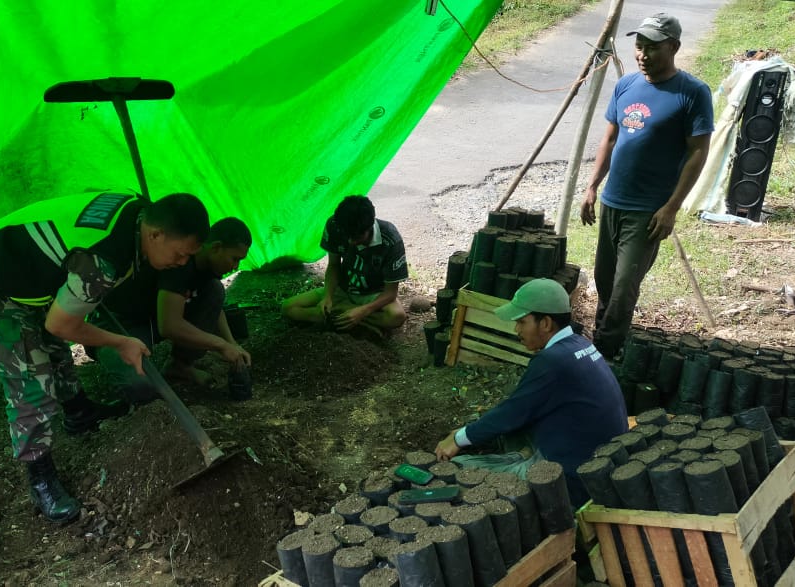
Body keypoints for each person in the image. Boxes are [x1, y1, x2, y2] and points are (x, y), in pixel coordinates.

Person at [0, 190, 209, 524]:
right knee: (29, 375)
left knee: (51, 345)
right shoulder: (103, 259)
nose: (182, 263)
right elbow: (62, 323)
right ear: (155, 234)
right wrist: (121, 342)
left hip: (33, 266)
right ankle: (40, 477)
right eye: (179, 254)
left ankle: (78, 412)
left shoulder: (138, 213)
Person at [581, 13, 715, 359]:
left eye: (652, 48)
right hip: (613, 201)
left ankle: (604, 352)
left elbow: (698, 152)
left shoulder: (692, 93)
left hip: (648, 210)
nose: (642, 54)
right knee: (605, 280)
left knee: (625, 286)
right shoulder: (626, 85)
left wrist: (671, 207)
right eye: (639, 46)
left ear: (674, 47)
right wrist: (592, 187)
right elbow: (609, 139)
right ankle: (604, 338)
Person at [434, 278, 627, 507]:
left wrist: (457, 439)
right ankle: (522, 454)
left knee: (456, 470)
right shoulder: (580, 344)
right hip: (598, 464)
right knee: (495, 429)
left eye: (522, 322)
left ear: (545, 323)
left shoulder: (552, 362)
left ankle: (523, 462)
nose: (517, 330)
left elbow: (511, 413)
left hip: (572, 481)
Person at [89, 217, 253, 403]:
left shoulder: (206, 266)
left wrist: (231, 343)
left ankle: (180, 366)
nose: (236, 266)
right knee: (141, 388)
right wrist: (221, 345)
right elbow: (169, 326)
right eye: (235, 259)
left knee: (215, 289)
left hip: (153, 317)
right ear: (216, 247)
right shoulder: (180, 261)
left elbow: (214, 309)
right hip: (119, 324)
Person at [281, 195, 408, 333]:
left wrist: (363, 311)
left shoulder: (390, 239)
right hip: (342, 289)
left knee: (397, 317)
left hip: (373, 294)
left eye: (356, 237)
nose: (350, 242)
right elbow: (334, 265)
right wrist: (327, 297)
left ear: (370, 226)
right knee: (288, 307)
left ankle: (346, 315)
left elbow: (390, 293)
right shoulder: (335, 225)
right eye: (347, 235)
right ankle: (352, 317)